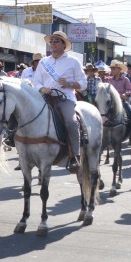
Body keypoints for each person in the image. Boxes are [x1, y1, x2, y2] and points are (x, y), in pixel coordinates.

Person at [30, 30, 84, 173]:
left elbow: (83, 83)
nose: (52, 43)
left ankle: (75, 156)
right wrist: (42, 89)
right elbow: (36, 83)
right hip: (45, 97)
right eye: (51, 41)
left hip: (64, 98)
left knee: (71, 122)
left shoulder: (73, 62)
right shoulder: (43, 62)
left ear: (63, 44)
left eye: (56, 41)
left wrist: (70, 84)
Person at [104, 59, 131, 142]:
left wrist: (125, 94)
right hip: (110, 103)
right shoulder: (109, 80)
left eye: (114, 68)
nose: (112, 70)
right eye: (111, 68)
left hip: (121, 102)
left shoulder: (125, 79)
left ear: (119, 69)